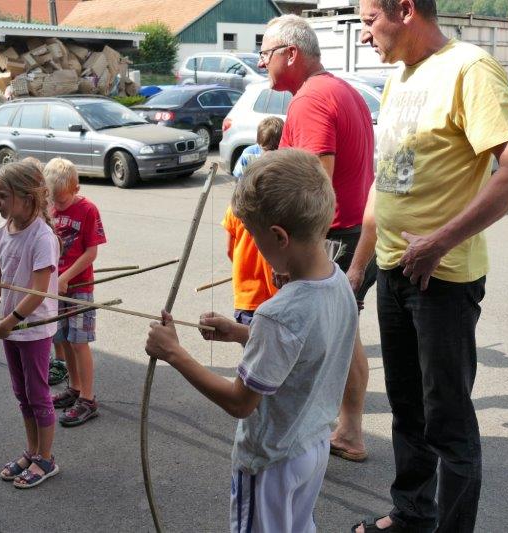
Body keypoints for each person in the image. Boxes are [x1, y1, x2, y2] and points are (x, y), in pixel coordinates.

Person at [352, 1, 508, 531]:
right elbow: (384, 185)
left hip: (443, 278)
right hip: (393, 271)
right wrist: (357, 268)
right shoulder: (400, 79)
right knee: (407, 408)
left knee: (447, 420)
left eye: (369, 20)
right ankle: (412, 513)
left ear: (405, 9)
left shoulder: (469, 68)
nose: (365, 35)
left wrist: (438, 242)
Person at [146, 149, 358, 532]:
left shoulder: (278, 314)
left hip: (270, 460)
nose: (254, 246)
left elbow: (240, 402)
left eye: (255, 237)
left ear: (278, 236)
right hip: (310, 447)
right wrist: (243, 333)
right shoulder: (338, 280)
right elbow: (307, 348)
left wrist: (174, 353)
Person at [258, 14, 376, 462]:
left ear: (291, 54)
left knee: (326, 337)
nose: (263, 62)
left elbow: (311, 187)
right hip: (353, 231)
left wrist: (289, 255)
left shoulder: (309, 100)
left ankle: (327, 429)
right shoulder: (343, 89)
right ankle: (349, 431)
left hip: (330, 236)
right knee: (346, 335)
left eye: (266, 53)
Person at [0, 160, 61, 489]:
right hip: (9, 327)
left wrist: (12, 320)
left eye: (2, 195)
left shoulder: (42, 238)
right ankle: (31, 451)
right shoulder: (1, 234)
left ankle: (46, 458)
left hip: (33, 329)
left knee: (37, 393)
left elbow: (37, 290)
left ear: (27, 197)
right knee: (21, 392)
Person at [44, 157, 107, 427]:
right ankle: (75, 387)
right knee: (65, 339)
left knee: (80, 342)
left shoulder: (88, 210)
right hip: (56, 287)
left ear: (76, 188)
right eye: (53, 201)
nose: (56, 206)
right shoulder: (50, 208)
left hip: (79, 287)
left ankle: (88, 399)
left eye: (61, 201)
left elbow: (91, 252)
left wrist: (66, 277)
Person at [224, 116, 283, 325]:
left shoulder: (235, 209)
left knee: (252, 352)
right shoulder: (282, 209)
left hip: (247, 295)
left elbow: (230, 251)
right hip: (276, 299)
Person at [231, 116, 284, 180]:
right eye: (265, 149)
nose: (269, 153)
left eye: (274, 149)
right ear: (259, 142)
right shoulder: (248, 154)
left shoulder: (285, 157)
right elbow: (238, 176)